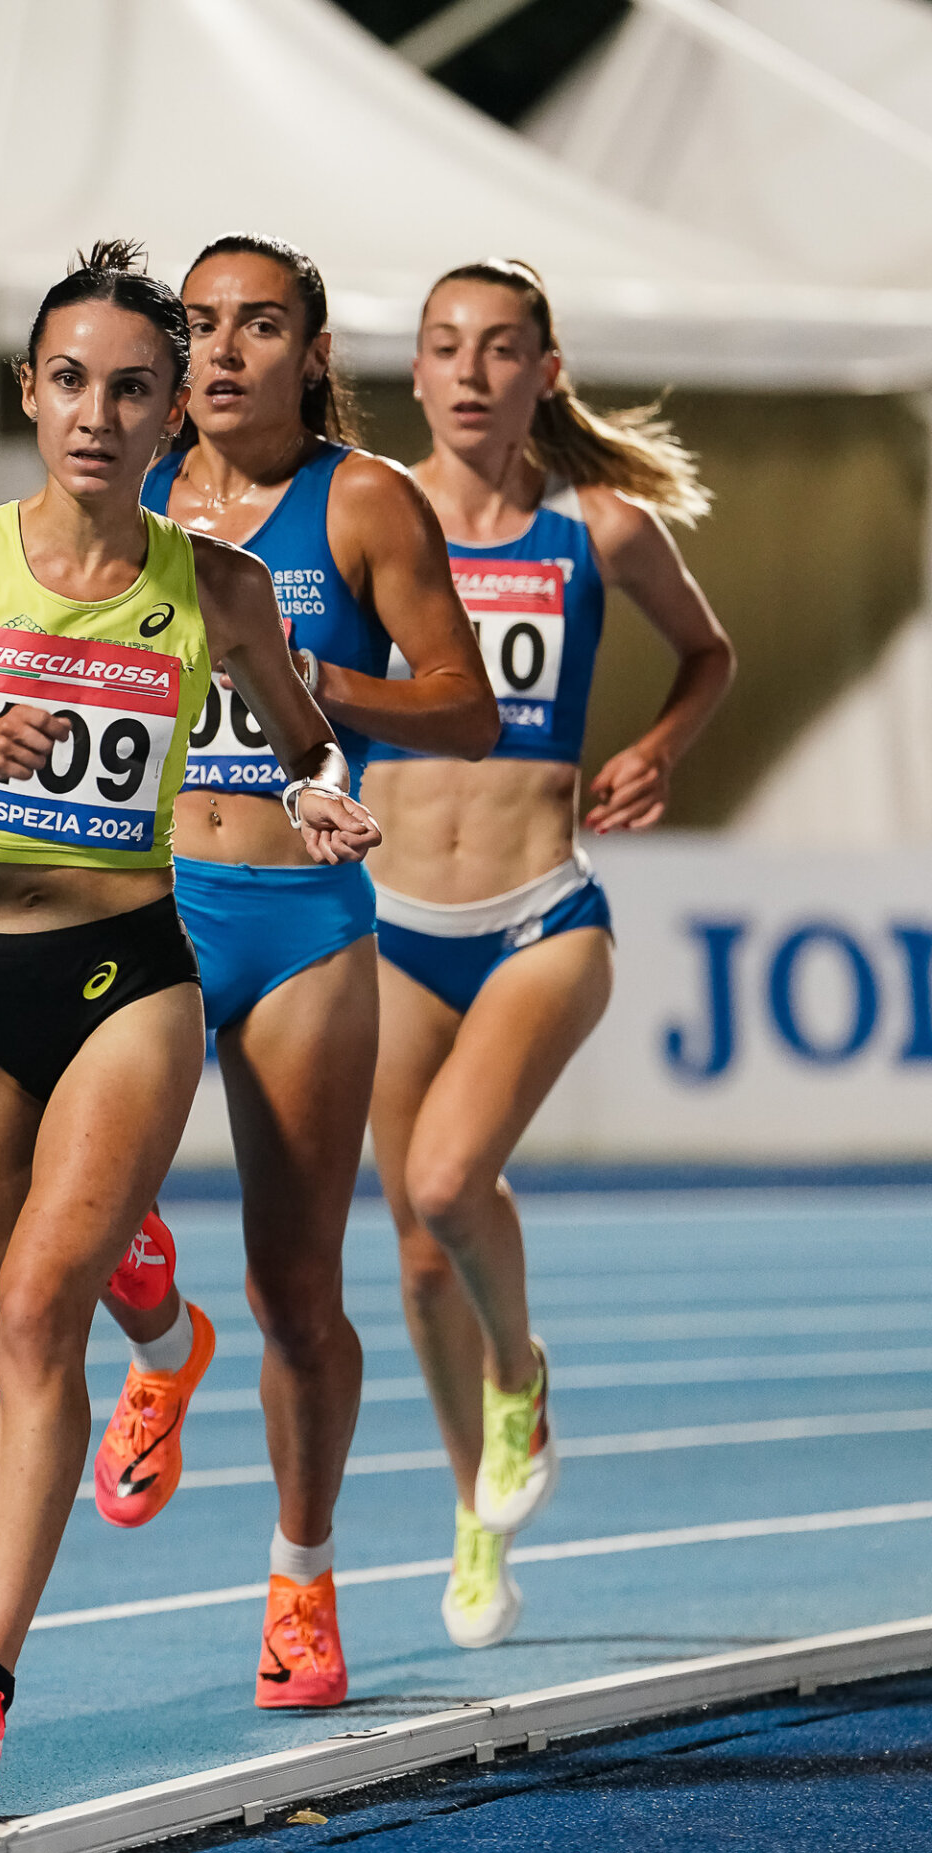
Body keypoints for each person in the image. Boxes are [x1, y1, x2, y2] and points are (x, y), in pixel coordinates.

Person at [0, 241, 380, 1800]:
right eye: (71, 383)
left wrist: (322, 805)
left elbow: (314, 745)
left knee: (40, 1320)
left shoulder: (223, 590)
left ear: (175, 405)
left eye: (135, 387)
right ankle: (166, 1321)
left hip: (130, 977)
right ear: (28, 394)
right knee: (7, 1343)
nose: (99, 416)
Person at [89, 233, 497, 1710]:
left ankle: (302, 1579)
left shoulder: (366, 504)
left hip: (302, 913)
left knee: (297, 1292)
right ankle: (154, 1328)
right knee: (72, 1197)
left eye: (260, 326)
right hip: (146, 896)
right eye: (198, 326)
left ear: (313, 355)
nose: (222, 352)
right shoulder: (122, 487)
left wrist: (321, 688)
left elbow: (465, 708)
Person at [364, 258, 735, 1649]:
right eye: (445, 348)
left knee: (454, 1183)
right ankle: (474, 1511)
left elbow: (710, 656)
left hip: (538, 918)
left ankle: (519, 1373)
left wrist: (657, 745)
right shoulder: (362, 519)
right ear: (415, 372)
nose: (470, 373)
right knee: (408, 1256)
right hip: (391, 926)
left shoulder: (602, 528)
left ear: (545, 373)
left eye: (499, 349)